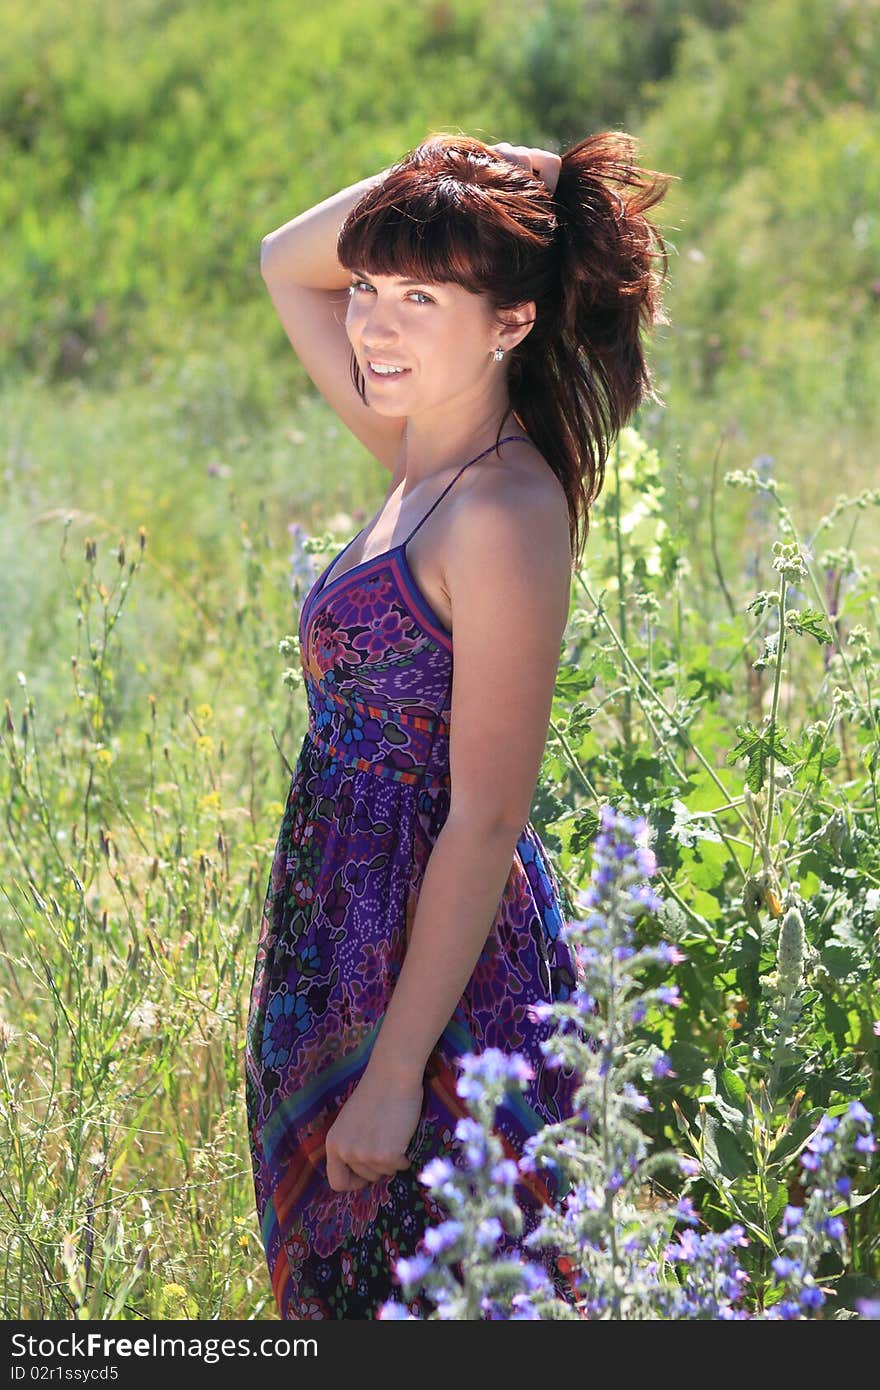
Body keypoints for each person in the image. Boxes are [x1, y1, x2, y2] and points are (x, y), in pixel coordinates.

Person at [245, 131, 671, 1320]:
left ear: (512, 321)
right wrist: (454, 164)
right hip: (339, 946)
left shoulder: (501, 504)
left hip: (435, 993)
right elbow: (286, 261)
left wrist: (391, 1077)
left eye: (419, 297)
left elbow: (486, 815)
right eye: (372, 289)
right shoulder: (419, 450)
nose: (372, 324)